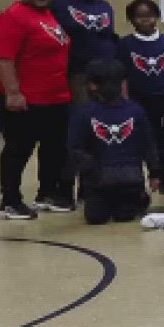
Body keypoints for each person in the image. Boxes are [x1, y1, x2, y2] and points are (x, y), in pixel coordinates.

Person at [0, 0, 76, 218]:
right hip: (27, 98)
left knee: (54, 148)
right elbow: (3, 59)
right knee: (19, 149)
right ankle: (10, 200)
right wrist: (13, 93)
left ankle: (47, 193)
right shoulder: (13, 17)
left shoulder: (48, 14)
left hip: (55, 97)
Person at [65, 59, 152, 224]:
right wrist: (91, 171)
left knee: (124, 217)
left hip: (129, 180)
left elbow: (147, 143)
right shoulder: (84, 114)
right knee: (96, 218)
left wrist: (155, 172)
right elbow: (75, 148)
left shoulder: (135, 111)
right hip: (98, 182)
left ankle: (138, 197)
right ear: (92, 86)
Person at [120, 0, 164, 195]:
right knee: (138, 141)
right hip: (137, 100)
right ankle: (137, 180)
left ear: (157, 17)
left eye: (149, 16)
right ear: (132, 20)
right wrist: (125, 103)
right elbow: (122, 77)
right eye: (139, 16)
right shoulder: (125, 45)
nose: (145, 20)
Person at [51, 0, 119, 93]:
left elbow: (107, 37)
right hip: (74, 75)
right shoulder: (57, 0)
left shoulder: (105, 6)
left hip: (106, 75)